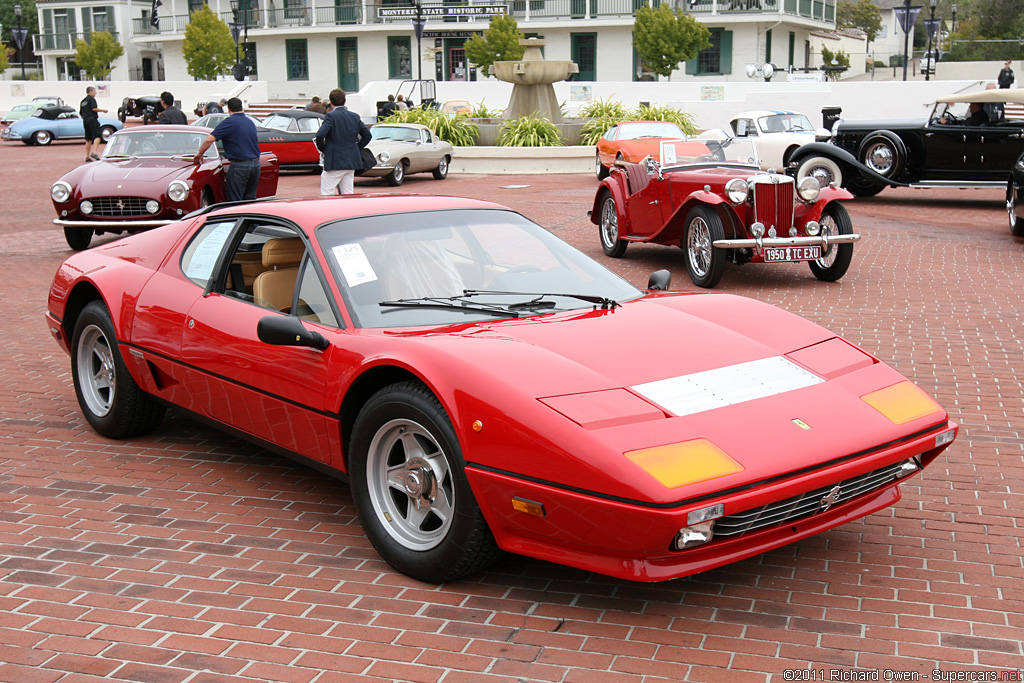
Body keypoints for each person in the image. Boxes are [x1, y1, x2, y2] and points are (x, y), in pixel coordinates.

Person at [193, 97, 262, 202]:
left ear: (228, 109)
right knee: (250, 200)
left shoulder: (229, 122)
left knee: (235, 200)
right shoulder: (250, 122)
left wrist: (199, 154)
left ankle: (236, 217)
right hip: (255, 164)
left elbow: (209, 139)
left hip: (239, 165)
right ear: (242, 108)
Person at [315, 88, 371, 196]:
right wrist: (356, 148)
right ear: (344, 101)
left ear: (331, 102)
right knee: (348, 193)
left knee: (327, 193)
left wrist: (323, 149)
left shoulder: (331, 116)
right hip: (351, 159)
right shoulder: (354, 116)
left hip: (334, 159)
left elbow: (320, 135)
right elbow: (367, 135)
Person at [80, 86, 107, 163]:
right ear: (90, 91)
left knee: (88, 138)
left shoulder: (83, 101)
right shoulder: (91, 99)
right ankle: (94, 152)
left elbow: (81, 113)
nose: (95, 93)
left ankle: (87, 156)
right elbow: (94, 108)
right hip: (92, 119)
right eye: (94, 91)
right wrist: (103, 110)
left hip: (85, 120)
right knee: (97, 135)